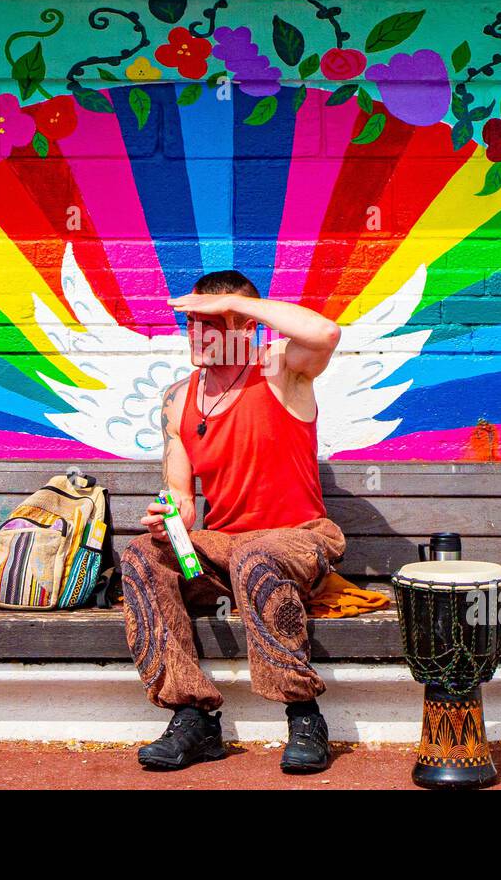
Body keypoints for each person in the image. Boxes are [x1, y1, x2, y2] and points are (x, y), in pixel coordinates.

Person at [120, 269, 346, 773]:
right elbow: (182, 497)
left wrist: (242, 309)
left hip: (299, 541)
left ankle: (304, 714)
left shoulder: (281, 369)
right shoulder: (178, 398)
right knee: (139, 556)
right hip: (224, 548)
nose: (198, 335)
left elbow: (326, 333)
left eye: (214, 323)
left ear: (247, 327)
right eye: (193, 323)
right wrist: (168, 522)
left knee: (254, 554)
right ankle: (193, 717)